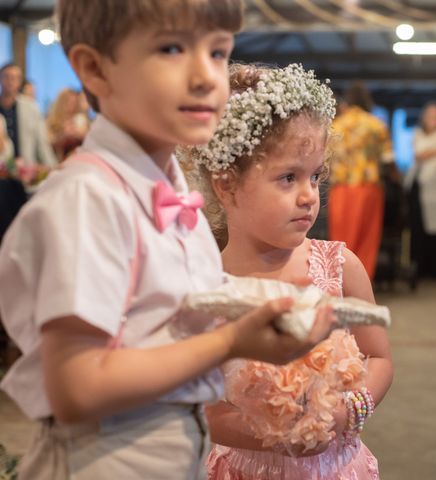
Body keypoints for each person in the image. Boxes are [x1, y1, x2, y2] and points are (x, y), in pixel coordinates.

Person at [0, 2, 334, 479]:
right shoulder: (88, 199)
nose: (205, 77)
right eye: (172, 49)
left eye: (218, 52)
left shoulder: (174, 197)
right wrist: (230, 342)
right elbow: (77, 390)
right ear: (95, 69)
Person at [181, 63, 393, 479]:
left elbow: (380, 356)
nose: (308, 196)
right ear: (226, 185)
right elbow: (207, 410)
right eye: (288, 178)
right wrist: (279, 434)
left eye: (315, 176)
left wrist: (348, 412)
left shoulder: (339, 268)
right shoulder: (204, 289)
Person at [328, 81, 395, 280]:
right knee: (367, 236)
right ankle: (362, 282)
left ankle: (337, 282)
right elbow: (388, 159)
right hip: (368, 187)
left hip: (340, 187)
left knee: (341, 236)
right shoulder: (376, 124)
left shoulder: (336, 125)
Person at [404, 102, 436, 280]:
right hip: (419, 187)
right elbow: (419, 154)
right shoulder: (418, 135)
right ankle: (420, 268)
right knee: (419, 229)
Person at [0, 63, 56, 168]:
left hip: (25, 169)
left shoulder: (31, 107)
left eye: (15, 78)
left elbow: (41, 142)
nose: (11, 82)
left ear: (20, 82)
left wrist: (52, 167)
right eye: (7, 77)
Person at [47, 88, 85, 161]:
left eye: (74, 102)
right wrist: (63, 135)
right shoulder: (52, 121)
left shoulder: (80, 119)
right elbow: (47, 144)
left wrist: (78, 134)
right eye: (68, 102)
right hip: (56, 160)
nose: (72, 106)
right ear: (61, 103)